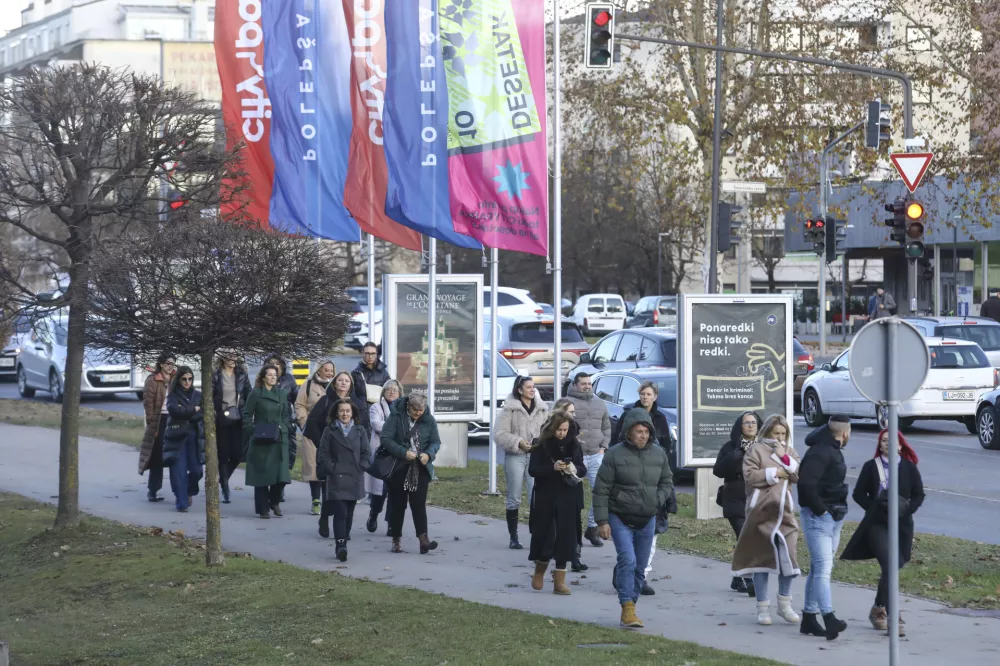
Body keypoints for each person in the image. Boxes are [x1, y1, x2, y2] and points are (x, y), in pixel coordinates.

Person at [593, 408, 673, 629]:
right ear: (629, 432)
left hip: (647, 517)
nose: (643, 435)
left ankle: (631, 607)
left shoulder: (658, 454)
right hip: (619, 516)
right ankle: (627, 606)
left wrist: (657, 500)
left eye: (646, 431)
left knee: (640, 566)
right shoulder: (614, 455)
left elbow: (667, 481)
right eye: (639, 431)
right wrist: (602, 522)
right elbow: (601, 490)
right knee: (627, 560)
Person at [841, 429, 925, 636]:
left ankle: (878, 608)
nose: (888, 444)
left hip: (902, 525)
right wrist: (874, 508)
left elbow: (919, 495)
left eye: (892, 441)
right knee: (889, 564)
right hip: (877, 525)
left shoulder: (909, 467)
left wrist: (907, 509)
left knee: (894, 566)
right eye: (884, 441)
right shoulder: (872, 467)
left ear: (900, 445)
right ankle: (894, 616)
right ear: (880, 445)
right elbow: (859, 493)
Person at [731, 415, 802, 626]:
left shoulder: (789, 451)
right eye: (776, 433)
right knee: (761, 560)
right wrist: (775, 472)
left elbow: (796, 474)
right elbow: (750, 476)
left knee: (789, 559)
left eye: (783, 434)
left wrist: (784, 460)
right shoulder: (756, 450)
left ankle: (784, 603)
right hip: (760, 511)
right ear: (768, 433)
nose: (780, 437)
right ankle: (763, 607)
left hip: (784, 513)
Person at [610, 380, 677, 595]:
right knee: (628, 545)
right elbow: (616, 441)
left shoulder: (661, 419)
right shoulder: (628, 415)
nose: (646, 397)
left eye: (649, 394)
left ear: (655, 396)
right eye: (643, 394)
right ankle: (625, 571)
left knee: (651, 534)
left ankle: (641, 575)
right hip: (628, 486)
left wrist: (660, 497)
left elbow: (666, 447)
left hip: (652, 481)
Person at [798, 414, 852, 640]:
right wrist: (821, 510)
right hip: (819, 517)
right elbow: (806, 484)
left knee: (818, 568)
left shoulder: (828, 449)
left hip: (832, 516)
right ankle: (829, 617)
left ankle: (809, 618)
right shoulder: (821, 452)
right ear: (845, 433)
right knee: (823, 569)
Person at [528, 411, 586, 596]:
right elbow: (533, 470)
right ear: (552, 428)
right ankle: (540, 568)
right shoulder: (541, 444)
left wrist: (574, 468)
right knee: (547, 535)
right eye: (559, 429)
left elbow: (582, 468)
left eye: (565, 430)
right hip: (547, 495)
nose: (562, 433)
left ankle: (559, 580)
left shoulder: (574, 445)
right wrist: (551, 468)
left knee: (565, 536)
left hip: (568, 495)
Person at [379, 390, 441, 554]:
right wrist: (402, 452)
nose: (418, 414)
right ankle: (396, 539)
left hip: (420, 467)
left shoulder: (428, 420)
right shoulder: (396, 416)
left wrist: (429, 454)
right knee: (398, 505)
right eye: (415, 410)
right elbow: (385, 438)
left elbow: (435, 441)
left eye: (421, 411)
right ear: (408, 406)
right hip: (398, 466)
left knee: (419, 504)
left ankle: (423, 539)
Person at [495, 375, 548, 550]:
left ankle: (537, 535)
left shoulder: (541, 409)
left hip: (536, 456)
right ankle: (514, 537)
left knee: (537, 496)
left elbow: (547, 431)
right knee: (514, 497)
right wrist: (518, 442)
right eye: (528, 387)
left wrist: (540, 444)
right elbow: (499, 434)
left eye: (534, 387)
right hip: (516, 455)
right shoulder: (510, 409)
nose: (532, 390)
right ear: (519, 390)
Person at [713, 411, 762, 595]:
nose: (750, 425)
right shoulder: (730, 447)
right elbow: (718, 471)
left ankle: (737, 577)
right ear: (739, 426)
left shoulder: (764, 447)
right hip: (734, 498)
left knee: (750, 540)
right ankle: (750, 581)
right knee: (746, 538)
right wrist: (734, 457)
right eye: (746, 422)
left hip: (758, 498)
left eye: (753, 422)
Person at [317, 398, 371, 562]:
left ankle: (344, 537)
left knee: (349, 512)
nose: (345, 414)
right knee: (340, 513)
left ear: (353, 413)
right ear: (336, 413)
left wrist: (360, 467)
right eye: (342, 411)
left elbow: (366, 454)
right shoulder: (330, 431)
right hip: (336, 478)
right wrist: (333, 469)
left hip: (354, 476)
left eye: (348, 411)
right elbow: (323, 454)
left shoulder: (360, 430)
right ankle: (340, 545)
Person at [567, 373, 611, 547]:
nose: (587, 386)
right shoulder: (566, 403)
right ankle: (572, 532)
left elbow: (606, 427)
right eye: (583, 383)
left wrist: (603, 447)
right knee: (571, 497)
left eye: (589, 384)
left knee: (600, 493)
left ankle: (592, 529)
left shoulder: (600, 403)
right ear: (576, 385)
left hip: (596, 455)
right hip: (575, 457)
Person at [242, 365, 292, 519]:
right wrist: (253, 430)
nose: (272, 377)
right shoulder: (256, 394)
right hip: (262, 438)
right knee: (262, 474)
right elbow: (246, 414)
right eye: (269, 375)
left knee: (281, 475)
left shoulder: (282, 394)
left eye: (274, 375)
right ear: (263, 377)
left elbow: (286, 414)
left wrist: (284, 427)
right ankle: (263, 509)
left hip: (279, 438)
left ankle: (274, 500)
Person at [550, 398, 588, 572]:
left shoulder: (574, 436)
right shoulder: (548, 435)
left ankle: (575, 556)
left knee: (575, 522)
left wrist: (574, 468)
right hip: (553, 489)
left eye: (574, 412)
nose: (573, 415)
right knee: (555, 524)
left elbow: (581, 467)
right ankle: (552, 553)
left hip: (572, 486)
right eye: (570, 412)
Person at [295, 360, 336, 515]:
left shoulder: (335, 386)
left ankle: (328, 498)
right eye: (326, 370)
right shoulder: (309, 384)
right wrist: (304, 422)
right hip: (312, 430)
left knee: (328, 465)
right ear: (319, 370)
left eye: (331, 370)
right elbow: (299, 405)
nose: (329, 373)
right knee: (313, 466)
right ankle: (315, 500)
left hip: (330, 431)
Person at [163, 366, 205, 513]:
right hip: (177, 437)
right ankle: (181, 503)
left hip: (194, 438)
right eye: (184, 379)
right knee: (178, 471)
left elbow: (203, 413)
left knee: (197, 471)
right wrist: (193, 410)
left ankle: (188, 491)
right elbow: (174, 411)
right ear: (179, 380)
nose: (187, 382)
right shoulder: (173, 395)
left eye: (190, 379)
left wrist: (188, 413)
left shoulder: (198, 395)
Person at [365, 379, 403, 534]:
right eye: (389, 389)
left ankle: (391, 523)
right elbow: (376, 424)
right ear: (384, 392)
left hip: (398, 454)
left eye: (395, 389)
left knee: (395, 491)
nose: (392, 392)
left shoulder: (404, 408)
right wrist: (396, 428)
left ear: (400, 393)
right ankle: (374, 514)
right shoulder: (376, 406)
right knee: (380, 491)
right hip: (382, 452)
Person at [212, 351, 250, 504]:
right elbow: (210, 395)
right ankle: (225, 489)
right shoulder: (215, 375)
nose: (232, 359)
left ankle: (223, 478)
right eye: (228, 356)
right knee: (223, 453)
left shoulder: (241, 374)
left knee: (238, 453)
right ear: (222, 358)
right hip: (222, 419)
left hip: (238, 418)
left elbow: (249, 394)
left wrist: (248, 412)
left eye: (234, 355)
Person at [138, 353, 175, 502]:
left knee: (174, 455)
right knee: (157, 456)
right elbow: (148, 404)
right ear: (160, 364)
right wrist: (152, 424)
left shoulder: (176, 378)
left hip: (173, 418)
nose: (169, 366)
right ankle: (153, 490)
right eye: (167, 363)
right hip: (159, 419)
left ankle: (179, 491)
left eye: (172, 363)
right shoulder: (152, 380)